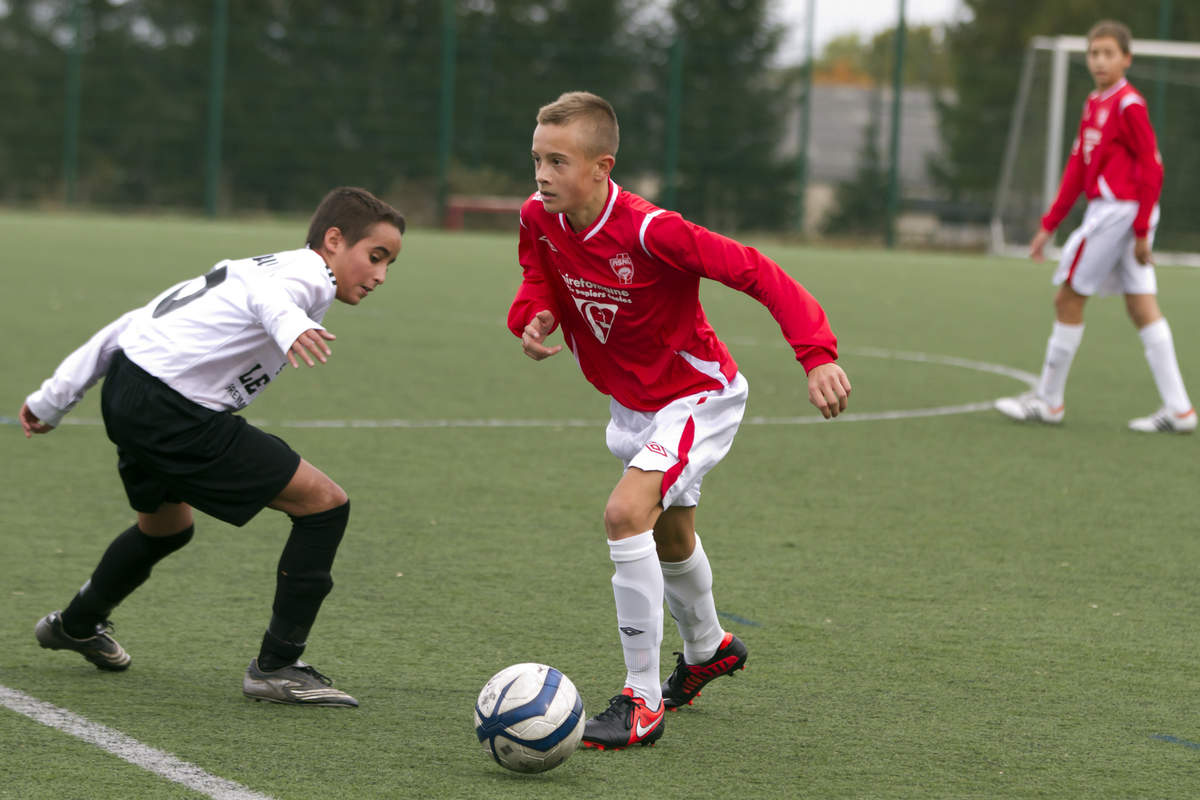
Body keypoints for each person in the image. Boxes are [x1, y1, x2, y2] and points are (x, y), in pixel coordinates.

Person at [507, 91, 850, 750]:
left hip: (697, 395)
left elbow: (758, 272)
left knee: (624, 514)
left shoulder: (649, 229)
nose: (542, 174)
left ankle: (640, 702)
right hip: (632, 404)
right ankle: (709, 648)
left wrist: (816, 356)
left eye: (558, 161)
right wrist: (533, 315)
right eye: (537, 159)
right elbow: (538, 275)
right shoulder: (538, 218)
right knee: (669, 535)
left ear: (602, 167)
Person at [19, 186, 405, 707]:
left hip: (131, 391)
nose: (381, 275)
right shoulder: (308, 277)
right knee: (324, 505)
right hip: (173, 412)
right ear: (334, 240)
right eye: (375, 257)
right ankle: (277, 666)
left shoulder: (259, 266)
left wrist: (53, 399)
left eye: (389, 263)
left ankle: (77, 624)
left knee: (166, 528)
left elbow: (130, 324)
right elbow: (268, 301)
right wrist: (291, 324)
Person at [995, 20, 1194, 434]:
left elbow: (1152, 169)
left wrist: (1140, 231)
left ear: (1127, 58)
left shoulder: (1129, 105)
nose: (1100, 60)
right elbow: (1077, 168)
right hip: (1112, 213)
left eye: (1109, 53)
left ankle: (1049, 402)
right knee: (1141, 306)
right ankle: (1179, 410)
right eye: (1094, 53)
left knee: (1067, 299)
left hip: (1119, 215)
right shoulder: (1094, 102)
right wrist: (1049, 223)